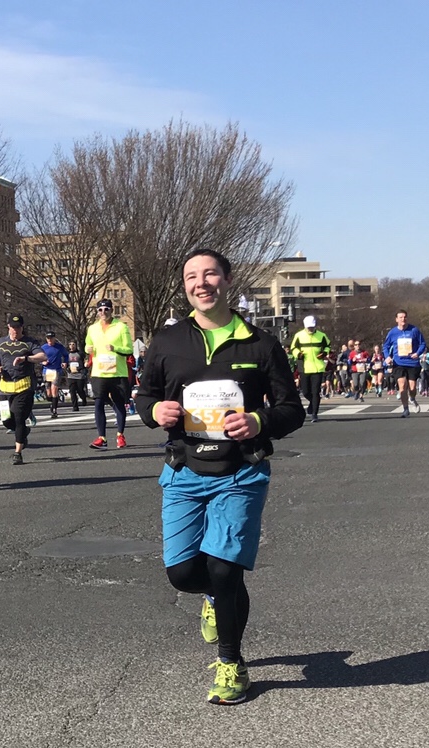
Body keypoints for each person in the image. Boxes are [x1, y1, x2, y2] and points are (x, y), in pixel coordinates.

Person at [135, 248, 305, 705]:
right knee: (184, 573)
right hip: (183, 470)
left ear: (227, 279)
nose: (201, 282)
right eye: (192, 276)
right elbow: (144, 396)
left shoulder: (260, 343)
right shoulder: (167, 341)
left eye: (210, 273)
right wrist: (154, 410)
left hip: (241, 472)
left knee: (225, 568)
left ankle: (232, 663)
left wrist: (259, 421)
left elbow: (293, 409)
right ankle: (213, 598)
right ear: (185, 286)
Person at [0, 313, 47, 465]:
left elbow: (42, 356)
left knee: (19, 418)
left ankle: (17, 452)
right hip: (5, 387)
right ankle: (23, 433)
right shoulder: (0, 341)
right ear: (8, 327)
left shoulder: (29, 342)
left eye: (18, 327)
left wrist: (27, 358)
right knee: (7, 420)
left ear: (22, 328)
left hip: (24, 386)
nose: (15, 330)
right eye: (12, 327)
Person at [85, 298, 134, 449]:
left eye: (106, 309)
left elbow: (129, 350)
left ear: (111, 310)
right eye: (100, 310)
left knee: (119, 404)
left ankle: (120, 435)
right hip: (99, 372)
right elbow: (88, 344)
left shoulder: (121, 327)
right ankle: (102, 438)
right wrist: (88, 349)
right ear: (97, 312)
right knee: (98, 403)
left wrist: (115, 348)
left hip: (117, 373)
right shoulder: (92, 328)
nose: (103, 312)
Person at [383, 309, 427, 418]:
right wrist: (387, 356)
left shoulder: (414, 330)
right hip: (399, 362)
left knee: (412, 388)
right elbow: (386, 346)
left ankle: (412, 398)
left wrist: (417, 353)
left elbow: (423, 344)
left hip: (412, 362)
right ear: (396, 319)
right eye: (401, 317)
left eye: (405, 317)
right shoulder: (393, 332)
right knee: (402, 386)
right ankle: (405, 409)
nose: (403, 319)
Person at [290, 315, 331, 423]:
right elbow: (293, 348)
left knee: (315, 391)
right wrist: (298, 354)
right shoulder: (299, 336)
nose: (311, 329)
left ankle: (314, 414)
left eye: (312, 327)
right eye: (309, 327)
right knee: (306, 391)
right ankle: (312, 404)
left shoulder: (321, 336)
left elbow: (328, 345)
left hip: (318, 367)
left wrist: (324, 353)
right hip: (304, 367)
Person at [41, 331, 68, 419]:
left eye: (51, 338)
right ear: (46, 339)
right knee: (49, 393)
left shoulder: (59, 347)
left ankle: (54, 410)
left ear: (54, 338)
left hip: (56, 370)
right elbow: (38, 357)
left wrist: (65, 362)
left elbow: (66, 355)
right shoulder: (43, 348)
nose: (50, 340)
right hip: (46, 371)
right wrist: (43, 362)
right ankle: (52, 402)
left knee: (54, 389)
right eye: (48, 338)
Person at [65, 340, 88, 411]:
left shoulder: (80, 354)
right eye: (70, 344)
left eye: (73, 344)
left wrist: (80, 368)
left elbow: (85, 363)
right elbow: (65, 363)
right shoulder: (67, 354)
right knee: (72, 391)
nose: (72, 346)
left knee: (80, 390)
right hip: (71, 375)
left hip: (79, 375)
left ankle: (83, 398)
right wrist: (67, 368)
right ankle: (75, 407)